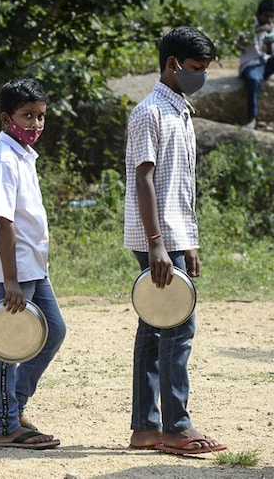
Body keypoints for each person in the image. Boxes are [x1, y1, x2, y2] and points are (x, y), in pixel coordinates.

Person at [124, 26, 228, 455]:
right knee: (178, 329)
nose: (200, 76)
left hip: (171, 238)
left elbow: (180, 185)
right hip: (155, 240)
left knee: (154, 329)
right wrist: (157, 244)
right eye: (196, 69)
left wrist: (188, 242)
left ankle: (146, 428)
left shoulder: (180, 110)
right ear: (172, 64)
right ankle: (176, 427)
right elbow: (144, 178)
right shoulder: (150, 111)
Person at [0, 78, 65, 450]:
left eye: (41, 116)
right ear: (5, 117)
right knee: (9, 345)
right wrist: (10, 281)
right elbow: (4, 222)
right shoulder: (2, 161)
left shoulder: (23, 156)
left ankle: (14, 404)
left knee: (53, 330)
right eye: (27, 116)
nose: (35, 124)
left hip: (33, 266)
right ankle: (7, 426)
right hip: (16, 270)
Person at [238, 0, 274, 130]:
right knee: (254, 80)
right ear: (258, 14)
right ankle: (251, 118)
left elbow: (270, 53)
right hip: (250, 64)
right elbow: (239, 43)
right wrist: (258, 30)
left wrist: (269, 43)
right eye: (266, 15)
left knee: (257, 76)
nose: (269, 19)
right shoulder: (248, 26)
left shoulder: (271, 29)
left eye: (271, 16)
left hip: (264, 62)